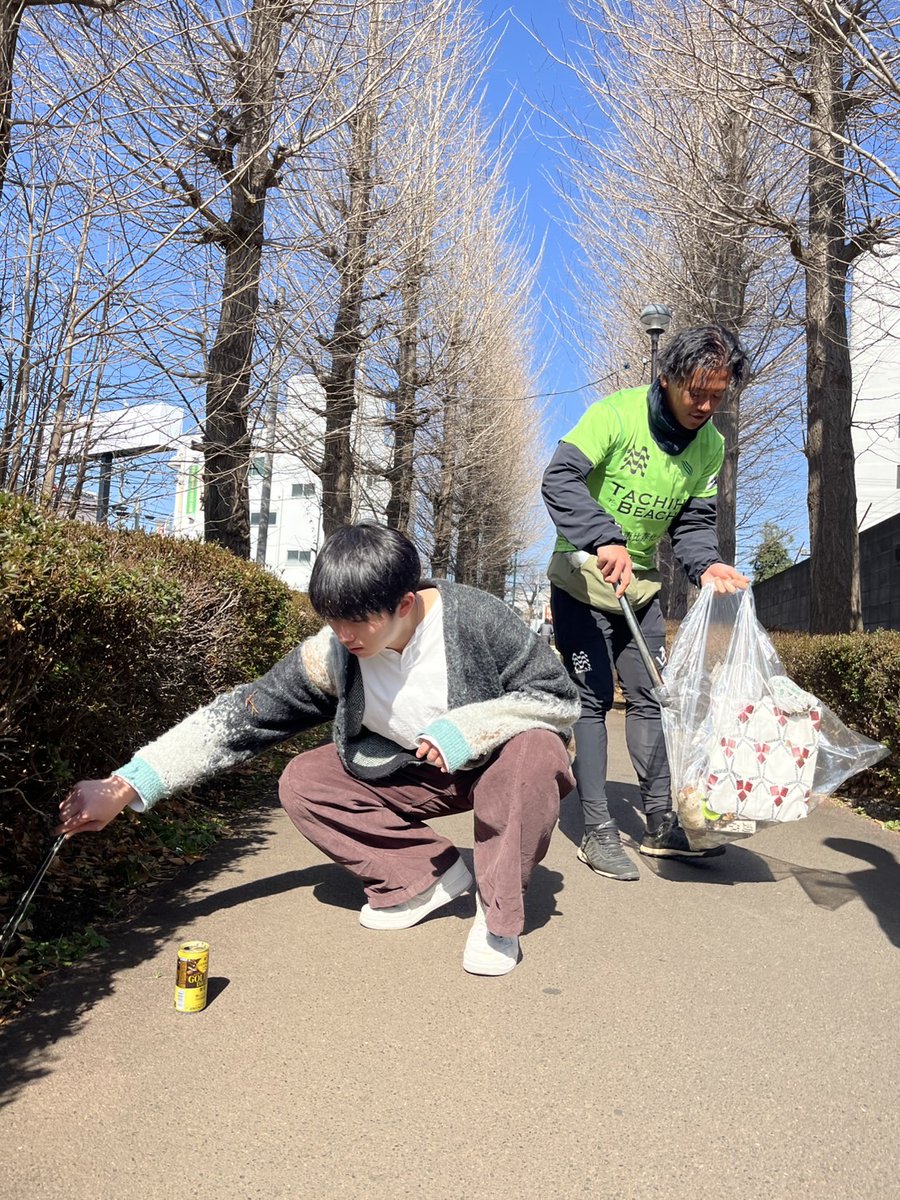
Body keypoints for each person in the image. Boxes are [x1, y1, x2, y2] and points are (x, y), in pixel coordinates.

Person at [56, 523, 579, 977]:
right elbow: (244, 714)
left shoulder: (479, 621)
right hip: (409, 767)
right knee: (305, 779)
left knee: (539, 752)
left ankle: (498, 918)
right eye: (332, 620)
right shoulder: (334, 651)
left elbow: (558, 698)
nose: (344, 635)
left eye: (357, 622)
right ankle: (425, 877)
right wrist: (125, 785)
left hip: (500, 768)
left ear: (404, 603)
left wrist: (471, 727)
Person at [541, 325, 750, 882]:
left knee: (652, 697)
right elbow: (560, 477)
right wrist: (603, 537)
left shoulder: (710, 446)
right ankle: (597, 828)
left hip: (642, 589)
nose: (705, 406)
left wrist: (705, 565)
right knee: (591, 698)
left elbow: (692, 521)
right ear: (668, 379)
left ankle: (661, 822)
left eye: (717, 395)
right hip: (581, 581)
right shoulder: (616, 414)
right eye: (695, 393)